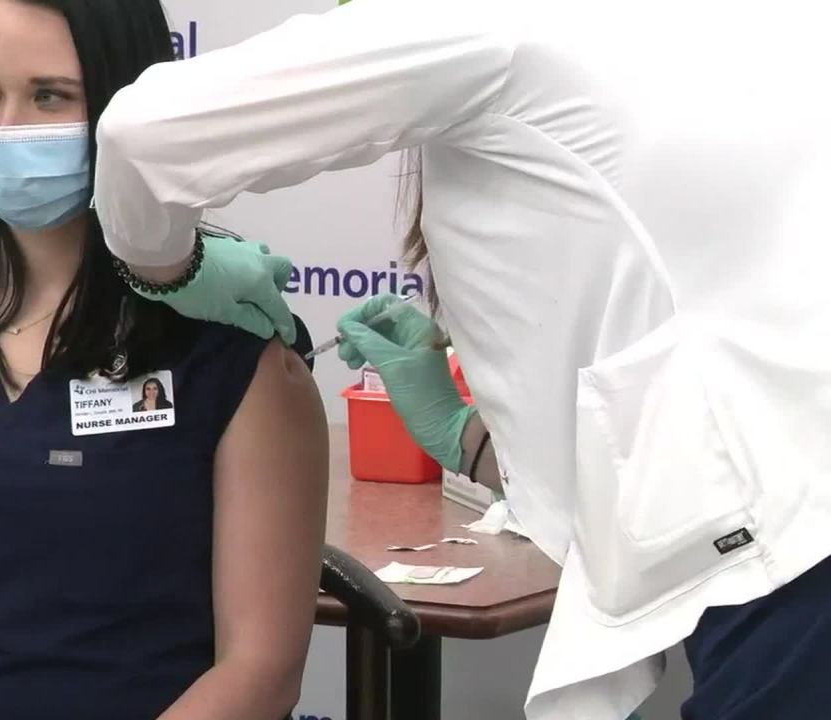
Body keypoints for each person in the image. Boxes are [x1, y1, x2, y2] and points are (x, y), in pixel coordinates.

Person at [91, 1, 831, 718]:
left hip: (793, 564)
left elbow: (142, 135)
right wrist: (472, 442)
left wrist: (171, 269)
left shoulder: (487, 22)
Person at [0, 1, 329, 719]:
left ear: (129, 109)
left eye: (50, 96)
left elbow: (260, 671)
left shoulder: (232, 350)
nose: (8, 128)